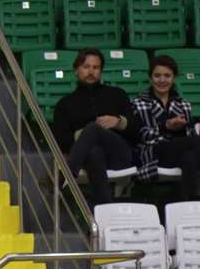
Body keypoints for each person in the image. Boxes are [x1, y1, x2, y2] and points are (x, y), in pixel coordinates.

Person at [50, 48, 138, 205]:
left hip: (120, 155)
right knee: (94, 151)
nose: (91, 71)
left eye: (95, 67)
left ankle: (64, 176)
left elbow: (137, 130)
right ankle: (103, 215)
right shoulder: (64, 104)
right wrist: (84, 134)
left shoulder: (117, 94)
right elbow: (61, 141)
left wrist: (118, 122)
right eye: (86, 67)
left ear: (101, 71)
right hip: (86, 158)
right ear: (76, 70)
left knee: (93, 129)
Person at [130, 54, 200, 201]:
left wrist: (181, 128)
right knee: (199, 141)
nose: (162, 80)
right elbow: (140, 136)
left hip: (176, 152)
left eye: (167, 76)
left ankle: (187, 204)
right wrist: (166, 126)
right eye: (157, 75)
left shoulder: (183, 104)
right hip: (152, 152)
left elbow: (189, 135)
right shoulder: (138, 103)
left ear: (174, 78)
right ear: (150, 78)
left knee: (190, 158)